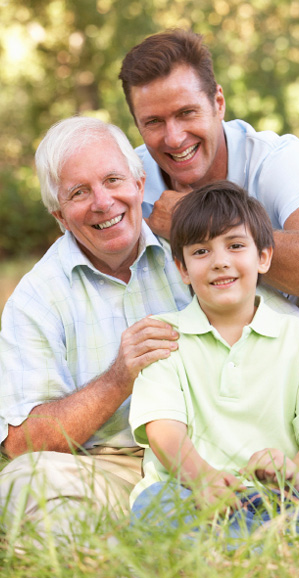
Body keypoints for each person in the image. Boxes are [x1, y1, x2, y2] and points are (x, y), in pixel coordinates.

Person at [119, 28, 299, 477]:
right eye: (153, 122)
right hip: (204, 356)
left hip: (297, 346)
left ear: (218, 103)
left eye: (187, 113)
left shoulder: (275, 158)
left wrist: (202, 224)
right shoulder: (128, 180)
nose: (174, 138)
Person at [129, 181, 299, 544]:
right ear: (182, 269)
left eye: (236, 245)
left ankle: (231, 548)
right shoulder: (164, 335)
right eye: (201, 252)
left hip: (285, 500)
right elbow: (164, 431)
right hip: (195, 495)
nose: (220, 261)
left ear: (263, 257)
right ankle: (272, 547)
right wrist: (202, 478)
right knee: (154, 505)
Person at [0, 115, 190, 547]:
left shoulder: (193, 247)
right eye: (79, 193)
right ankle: (159, 535)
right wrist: (118, 377)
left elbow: (284, 331)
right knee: (23, 483)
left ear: (140, 185)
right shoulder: (35, 300)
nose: (103, 202)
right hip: (110, 471)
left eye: (112, 180)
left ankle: (157, 534)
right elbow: (22, 443)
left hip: (216, 452)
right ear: (60, 216)